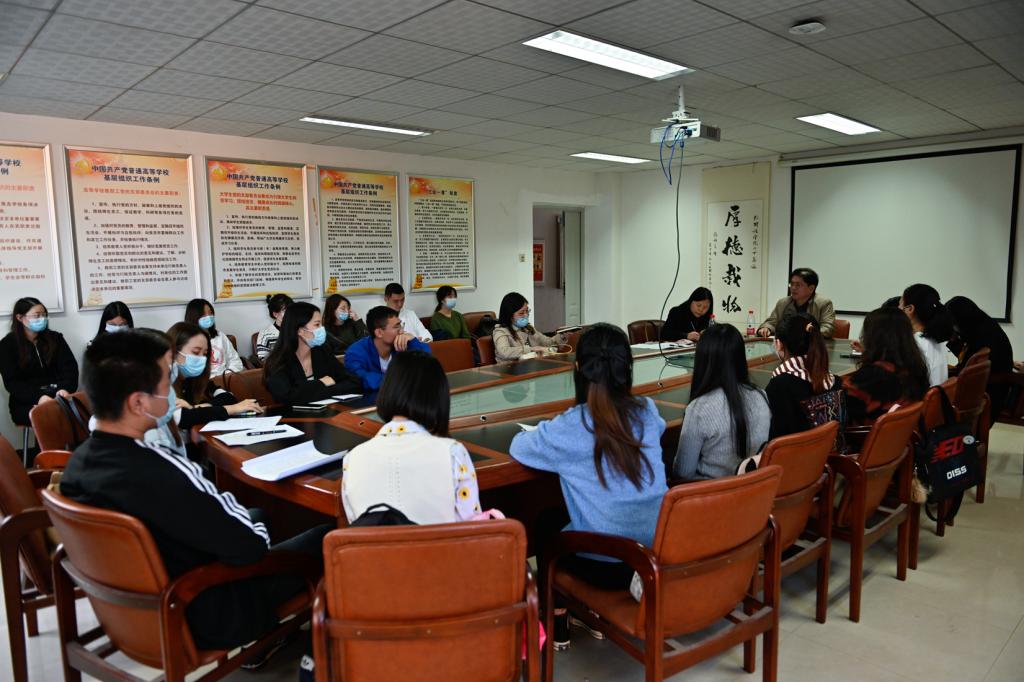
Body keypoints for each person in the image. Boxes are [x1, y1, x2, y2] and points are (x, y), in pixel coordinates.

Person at [59, 328, 328, 654]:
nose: (171, 392)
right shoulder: (162, 470)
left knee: (258, 516)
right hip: (206, 612)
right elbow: (250, 547)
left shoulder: (77, 466)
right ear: (139, 402)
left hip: (136, 611)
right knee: (329, 538)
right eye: (165, 382)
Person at [509, 324, 667, 645]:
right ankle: (584, 614)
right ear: (627, 369)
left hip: (606, 567)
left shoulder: (572, 425)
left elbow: (519, 447)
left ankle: (558, 619)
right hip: (652, 554)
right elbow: (659, 427)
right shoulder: (646, 411)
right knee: (564, 516)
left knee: (546, 522)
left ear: (579, 368)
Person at [342, 352, 480, 524]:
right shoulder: (452, 453)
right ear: (438, 396)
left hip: (375, 543)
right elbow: (472, 527)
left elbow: (357, 527)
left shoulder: (352, 459)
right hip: (440, 542)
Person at [673, 324, 770, 480]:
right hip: (754, 488)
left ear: (703, 360)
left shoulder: (699, 408)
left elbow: (683, 472)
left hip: (712, 492)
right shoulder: (761, 396)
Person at [168, 322, 263, 431]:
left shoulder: (196, 379)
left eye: (205, 354)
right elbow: (182, 417)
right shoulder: (161, 382)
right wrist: (232, 409)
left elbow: (228, 397)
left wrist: (198, 409)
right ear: (173, 351)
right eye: (196, 352)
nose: (202, 359)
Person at [843, 308, 930, 426]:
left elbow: (845, 405)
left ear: (874, 337)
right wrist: (868, 353)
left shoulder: (875, 376)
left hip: (862, 434)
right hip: (899, 434)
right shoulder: (914, 366)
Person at [263, 302, 362, 405]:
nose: (322, 329)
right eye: (317, 324)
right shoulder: (277, 361)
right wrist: (321, 383)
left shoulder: (322, 351)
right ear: (300, 330)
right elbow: (286, 396)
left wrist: (321, 390)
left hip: (327, 411)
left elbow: (354, 382)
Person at [0, 297, 79, 426]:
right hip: (26, 401)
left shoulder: (55, 339)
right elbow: (13, 383)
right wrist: (39, 397)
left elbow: (70, 369)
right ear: (20, 318)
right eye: (37, 315)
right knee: (48, 415)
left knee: (76, 410)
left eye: (44, 315)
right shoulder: (7, 345)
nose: (42, 319)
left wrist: (64, 389)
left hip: (57, 394)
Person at [765, 312, 839, 439]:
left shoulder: (779, 386)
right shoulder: (834, 381)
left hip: (792, 452)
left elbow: (772, 436)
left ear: (778, 344)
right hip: (830, 451)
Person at [946, 295, 1014, 417]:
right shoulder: (984, 326)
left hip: (990, 393)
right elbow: (968, 357)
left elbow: (969, 365)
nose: (954, 327)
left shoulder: (984, 336)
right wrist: (954, 341)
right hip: (992, 388)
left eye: (954, 323)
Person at [344, 306, 431, 391]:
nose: (402, 331)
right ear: (379, 333)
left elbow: (428, 364)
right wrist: (403, 379)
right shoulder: (355, 352)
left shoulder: (404, 343)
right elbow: (361, 379)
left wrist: (413, 340)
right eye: (396, 327)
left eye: (401, 325)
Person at [757, 267, 836, 339]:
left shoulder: (824, 303)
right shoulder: (783, 302)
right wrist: (766, 328)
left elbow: (827, 329)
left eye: (798, 285)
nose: (793, 288)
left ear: (811, 288)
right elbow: (772, 322)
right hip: (787, 346)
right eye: (792, 284)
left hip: (812, 346)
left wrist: (809, 331)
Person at [899, 284, 953, 387]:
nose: (897, 310)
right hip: (935, 396)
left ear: (910, 309)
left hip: (923, 396)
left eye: (899, 305)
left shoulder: (915, 344)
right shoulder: (935, 339)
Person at [493, 292, 566, 362]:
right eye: (521, 313)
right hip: (510, 369)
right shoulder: (500, 331)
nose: (526, 315)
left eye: (527, 311)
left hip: (532, 365)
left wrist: (562, 336)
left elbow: (548, 343)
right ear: (509, 315)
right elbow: (504, 352)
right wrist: (532, 349)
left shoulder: (528, 328)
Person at [184, 298, 242, 377]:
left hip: (225, 379)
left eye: (210, 313)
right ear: (193, 316)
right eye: (203, 314)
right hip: (202, 382)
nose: (208, 317)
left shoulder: (220, 336)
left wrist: (225, 377)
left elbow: (235, 361)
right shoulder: (185, 341)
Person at [255, 293, 293, 362]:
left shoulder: (298, 330)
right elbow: (264, 360)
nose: (290, 314)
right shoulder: (265, 335)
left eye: (291, 310)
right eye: (285, 311)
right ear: (275, 314)